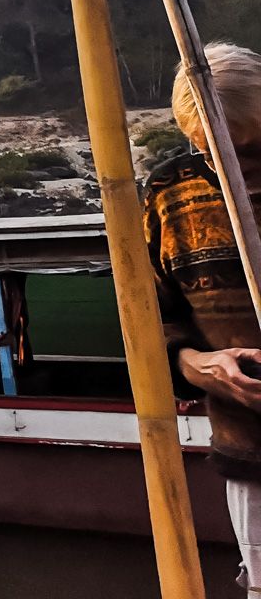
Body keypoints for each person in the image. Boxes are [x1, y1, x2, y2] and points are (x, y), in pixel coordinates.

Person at [144, 41, 261, 592]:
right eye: (212, 149)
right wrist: (202, 366)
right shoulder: (169, 194)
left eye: (248, 148)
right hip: (248, 449)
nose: (234, 169)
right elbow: (154, 322)